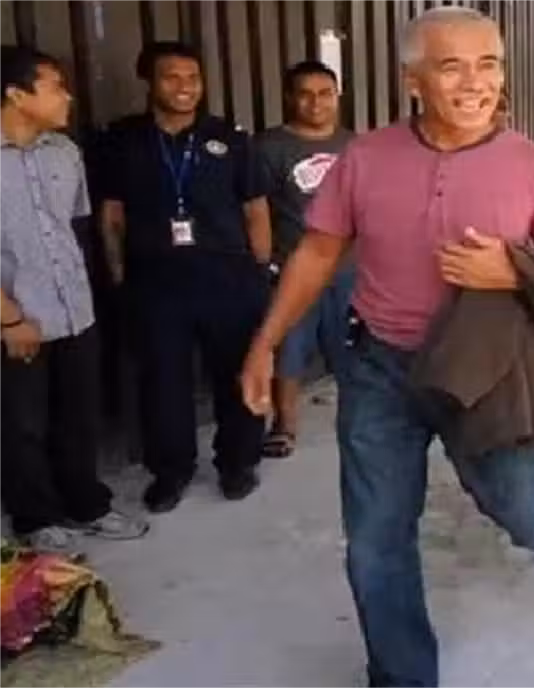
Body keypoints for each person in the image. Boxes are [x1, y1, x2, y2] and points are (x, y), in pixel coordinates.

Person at [239, 8, 534, 687]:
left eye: (489, 65)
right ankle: (401, 676)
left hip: (489, 372)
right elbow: (318, 252)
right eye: (452, 67)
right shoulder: (366, 158)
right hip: (378, 367)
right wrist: (265, 343)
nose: (476, 83)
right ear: (413, 80)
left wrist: (513, 270)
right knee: (375, 539)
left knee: (525, 511)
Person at [99, 42, 272, 512]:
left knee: (237, 376)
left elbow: (256, 209)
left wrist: (261, 273)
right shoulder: (123, 140)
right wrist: (120, 278)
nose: (185, 88)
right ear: (149, 82)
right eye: (172, 77)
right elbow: (112, 215)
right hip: (156, 281)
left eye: (193, 78)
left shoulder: (229, 138)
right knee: (163, 383)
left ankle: (238, 463)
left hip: (228, 279)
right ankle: (171, 471)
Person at [0, 46, 148, 551]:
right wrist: (9, 318)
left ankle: (87, 505)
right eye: (55, 86)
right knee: (22, 425)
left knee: (79, 418)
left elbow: (74, 229)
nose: (68, 96)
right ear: (16, 95)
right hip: (16, 318)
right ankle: (35, 519)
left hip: (74, 310)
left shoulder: (65, 152)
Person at [256, 61, 356, 459]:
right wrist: (265, 263)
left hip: (349, 269)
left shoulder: (355, 146)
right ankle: (284, 425)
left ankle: (364, 418)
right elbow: (256, 209)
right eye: (305, 94)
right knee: (288, 348)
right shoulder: (268, 147)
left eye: (325, 94)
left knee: (354, 350)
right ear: (289, 98)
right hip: (293, 268)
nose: (316, 103)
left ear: (337, 97)